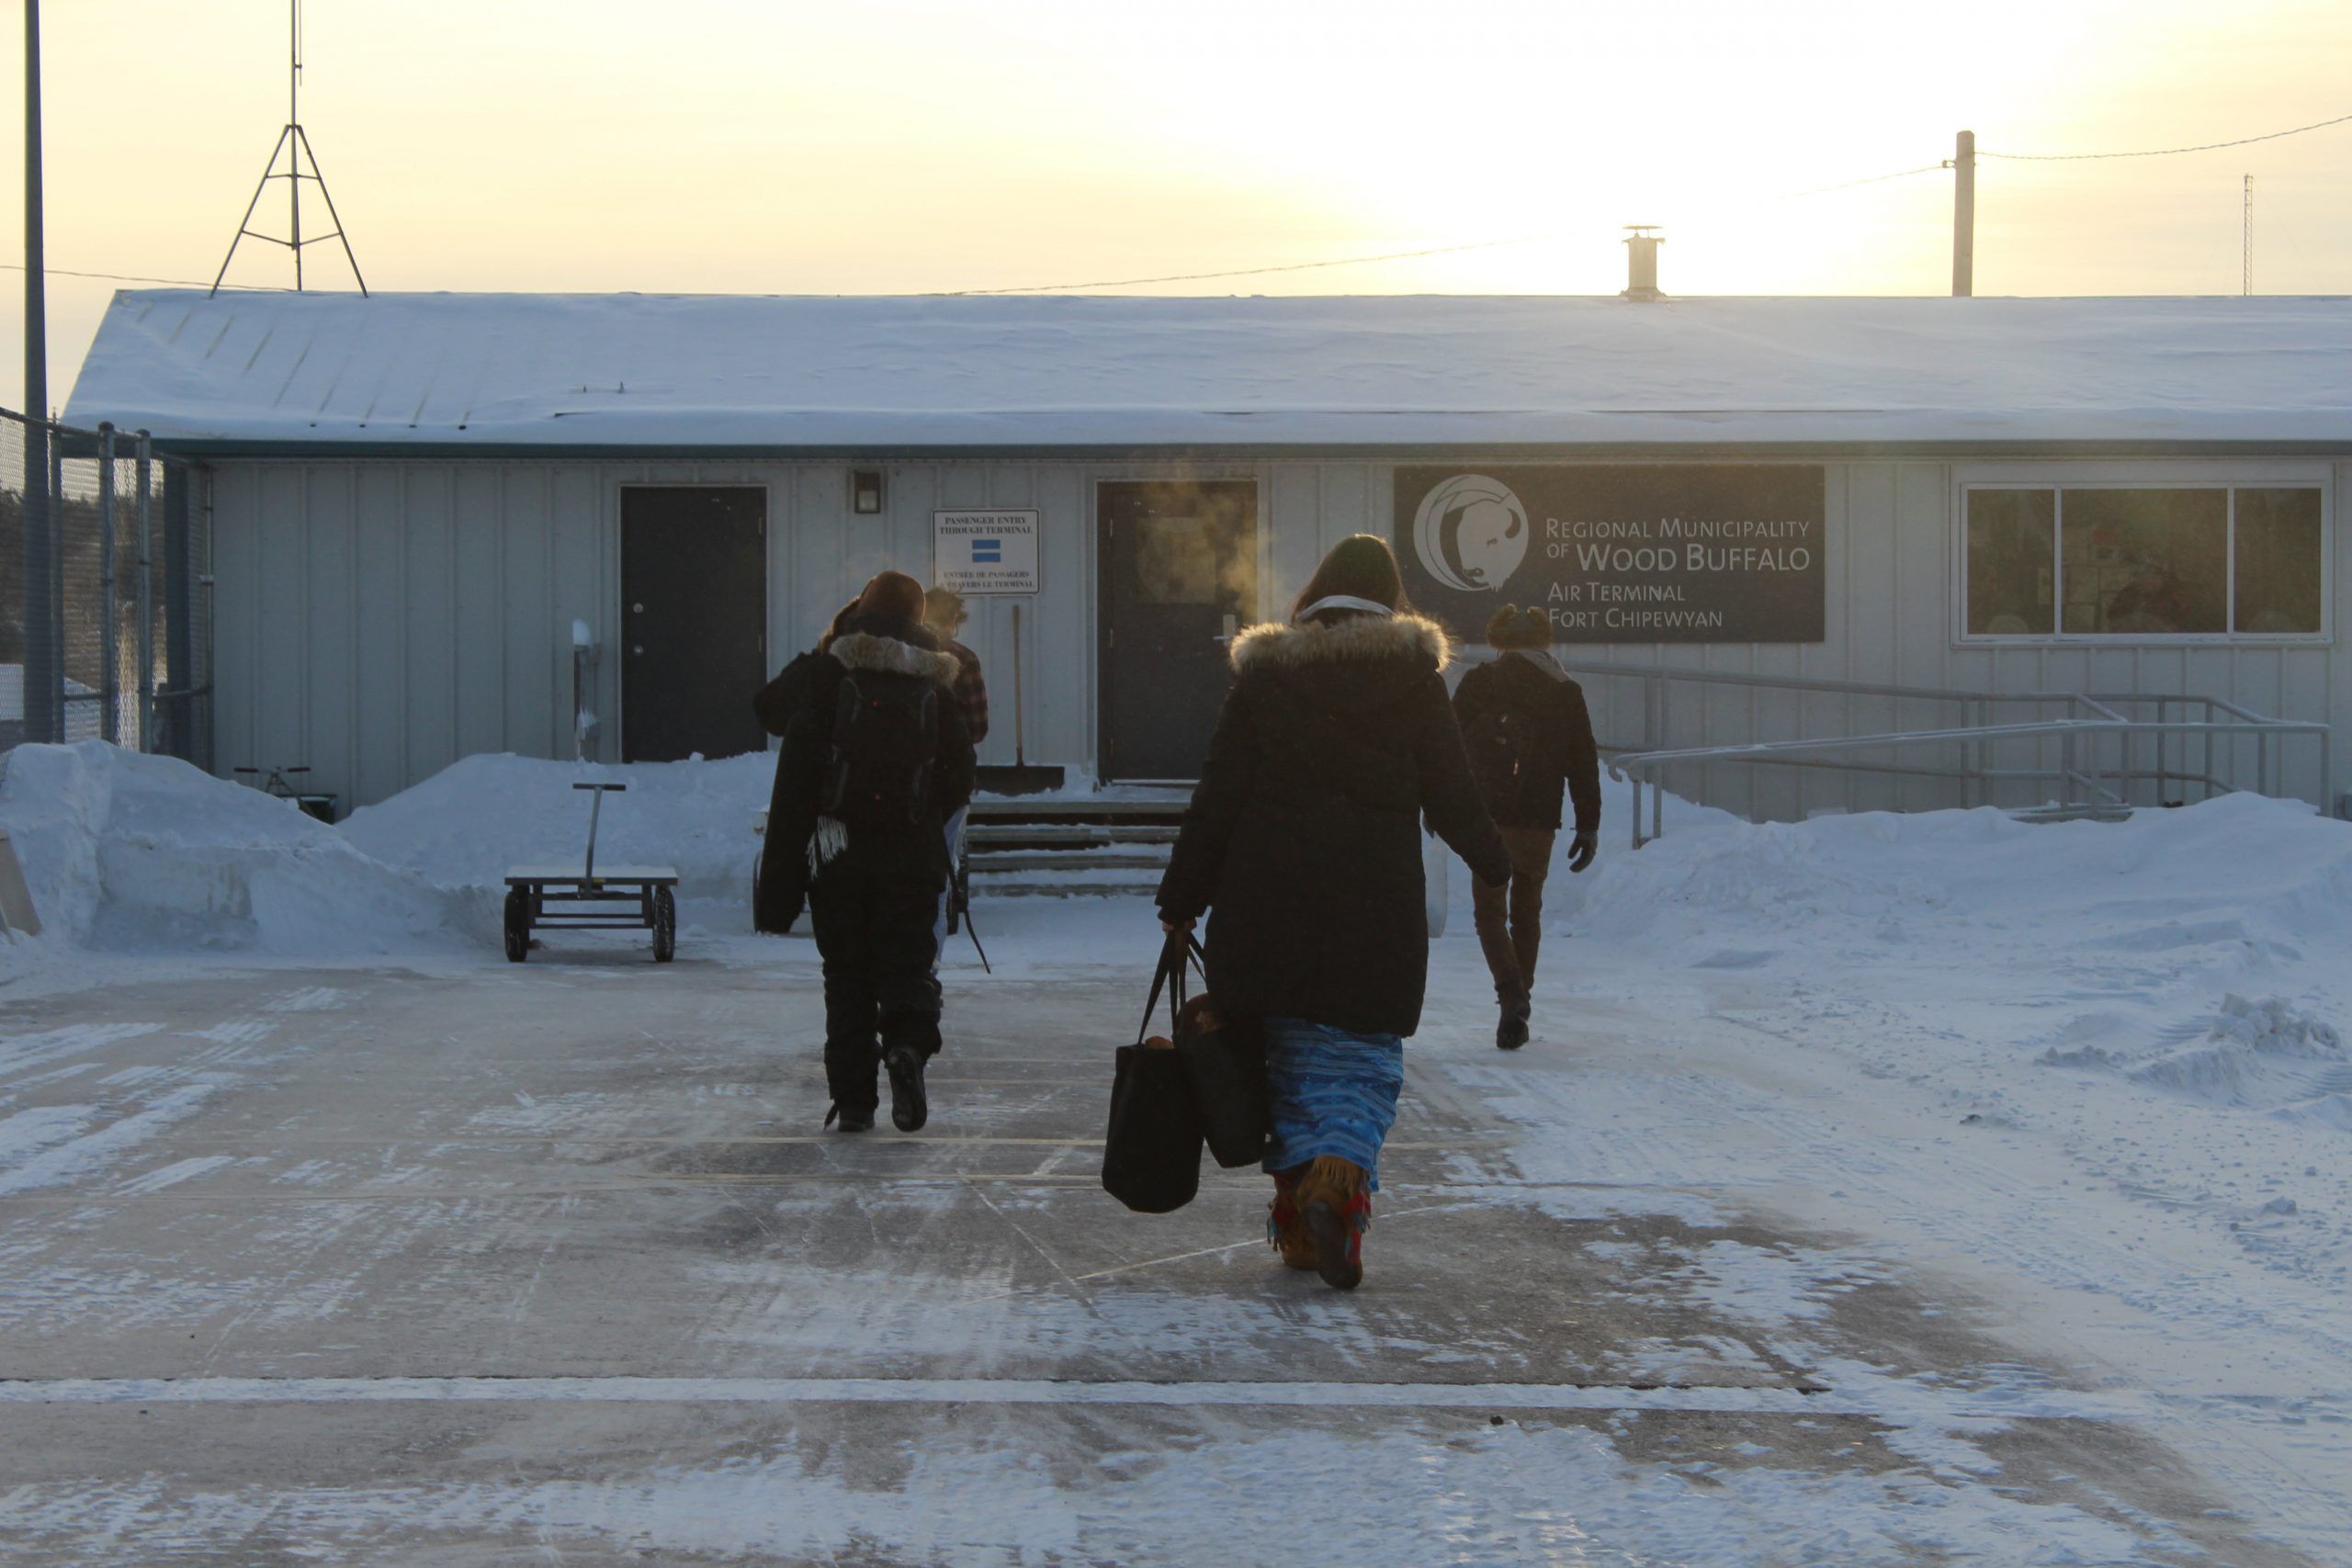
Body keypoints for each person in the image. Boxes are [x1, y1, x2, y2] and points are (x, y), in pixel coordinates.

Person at [1156, 535, 1510, 1290]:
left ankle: (1299, 1228)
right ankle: (1334, 1188)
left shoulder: (1267, 678)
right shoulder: (1413, 679)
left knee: (1282, 1065)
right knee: (1360, 1061)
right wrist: (1492, 858)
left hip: (1266, 901)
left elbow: (1218, 795)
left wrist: (1182, 897)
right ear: (1392, 601)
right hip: (1372, 908)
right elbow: (1452, 787)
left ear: (1313, 596)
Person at [752, 571, 975, 1134]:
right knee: (908, 966)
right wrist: (920, 817)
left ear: (860, 613)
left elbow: (771, 716)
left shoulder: (831, 672)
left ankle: (854, 1101)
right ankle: (906, 1048)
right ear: (917, 620)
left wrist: (830, 641)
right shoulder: (935, 678)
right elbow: (961, 772)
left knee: (846, 977)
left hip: (838, 853)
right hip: (911, 856)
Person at [1451, 605, 1602, 1051]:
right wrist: (1588, 824)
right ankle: (1519, 1003)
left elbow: (1448, 748)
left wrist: (1442, 807)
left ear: (1498, 642)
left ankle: (1509, 993)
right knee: (1526, 912)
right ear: (1544, 642)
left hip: (1487, 816)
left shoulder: (1479, 682)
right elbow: (1582, 761)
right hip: (1538, 818)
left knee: (1489, 913)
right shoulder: (1564, 690)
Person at [922, 587, 989, 931]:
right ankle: (930, 945)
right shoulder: (963, 658)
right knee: (941, 866)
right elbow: (978, 728)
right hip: (950, 779)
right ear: (953, 620)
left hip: (903, 778)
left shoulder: (899, 654)